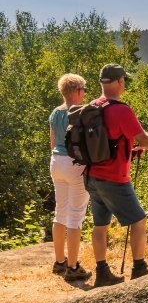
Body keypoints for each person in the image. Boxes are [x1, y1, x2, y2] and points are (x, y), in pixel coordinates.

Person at [86, 63, 148, 287]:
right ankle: (140, 269)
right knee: (139, 221)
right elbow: (146, 140)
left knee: (100, 225)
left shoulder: (93, 107)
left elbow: (105, 143)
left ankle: (102, 273)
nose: (124, 83)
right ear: (120, 82)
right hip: (114, 179)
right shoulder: (121, 110)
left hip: (92, 177)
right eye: (123, 80)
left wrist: (128, 152)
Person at [49, 74, 92, 281]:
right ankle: (73, 268)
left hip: (56, 162)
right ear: (76, 91)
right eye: (83, 89)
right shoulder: (80, 112)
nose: (84, 93)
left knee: (60, 212)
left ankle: (60, 262)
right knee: (75, 216)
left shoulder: (55, 113)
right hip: (74, 165)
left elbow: (52, 142)